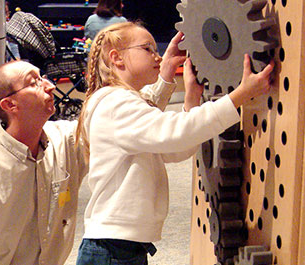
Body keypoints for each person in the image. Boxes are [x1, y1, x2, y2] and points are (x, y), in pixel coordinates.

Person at [0, 30, 185, 264]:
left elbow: (135, 122)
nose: (49, 85)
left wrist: (165, 73)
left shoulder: (65, 141)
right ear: (10, 105)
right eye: (34, 83)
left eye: (43, 77)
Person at [75, 21, 274, 264]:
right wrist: (240, 95)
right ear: (117, 58)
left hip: (121, 246)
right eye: (148, 49)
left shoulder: (118, 102)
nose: (157, 56)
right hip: (112, 249)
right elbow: (174, 133)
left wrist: (190, 97)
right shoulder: (114, 103)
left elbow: (174, 148)